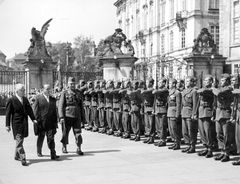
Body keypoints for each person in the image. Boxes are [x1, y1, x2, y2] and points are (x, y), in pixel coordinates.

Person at [5, 83, 37, 166]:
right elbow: (8, 114)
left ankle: (16, 155)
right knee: (19, 141)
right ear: (17, 91)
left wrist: (33, 119)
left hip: (24, 124)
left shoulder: (25, 99)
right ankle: (23, 158)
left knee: (20, 140)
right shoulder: (11, 100)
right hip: (16, 124)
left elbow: (29, 110)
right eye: (22, 90)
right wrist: (7, 125)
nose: (24, 91)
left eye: (24, 90)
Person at [32, 84, 59, 160]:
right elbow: (35, 110)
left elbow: (54, 112)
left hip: (50, 123)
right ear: (43, 89)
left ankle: (53, 153)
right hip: (41, 122)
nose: (48, 90)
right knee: (41, 137)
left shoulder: (53, 99)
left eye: (49, 89)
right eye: (47, 89)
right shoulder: (38, 98)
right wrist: (36, 121)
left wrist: (55, 122)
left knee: (51, 138)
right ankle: (39, 151)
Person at [58, 77, 83, 155]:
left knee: (78, 133)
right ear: (68, 84)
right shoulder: (64, 93)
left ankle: (79, 148)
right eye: (71, 84)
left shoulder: (78, 92)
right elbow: (60, 106)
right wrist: (61, 117)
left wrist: (82, 117)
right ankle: (64, 146)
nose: (72, 85)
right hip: (67, 116)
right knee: (65, 133)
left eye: (73, 84)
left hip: (77, 116)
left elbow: (81, 105)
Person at [213, 73, 234, 162]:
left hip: (225, 113)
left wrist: (213, 88)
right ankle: (222, 151)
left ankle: (227, 153)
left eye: (223, 80)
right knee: (219, 134)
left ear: (228, 81)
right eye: (221, 80)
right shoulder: (220, 88)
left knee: (226, 135)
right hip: (219, 113)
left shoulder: (229, 88)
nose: (221, 82)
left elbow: (218, 93)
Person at [197, 75, 215, 158]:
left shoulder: (212, 90)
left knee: (208, 131)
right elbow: (199, 101)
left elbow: (214, 103)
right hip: (201, 111)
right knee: (202, 131)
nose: (205, 82)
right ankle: (205, 147)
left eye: (207, 80)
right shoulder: (202, 90)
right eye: (204, 80)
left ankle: (210, 149)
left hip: (208, 111)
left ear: (211, 82)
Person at [181, 76, 198, 154]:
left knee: (191, 130)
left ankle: (192, 146)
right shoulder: (184, 91)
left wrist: (194, 113)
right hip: (184, 112)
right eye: (186, 81)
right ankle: (188, 144)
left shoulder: (194, 91)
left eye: (188, 81)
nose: (186, 82)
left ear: (192, 82)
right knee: (185, 131)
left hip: (190, 112)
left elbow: (195, 103)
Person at [153, 78, 169, 147]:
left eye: (160, 82)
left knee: (162, 126)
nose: (158, 84)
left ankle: (163, 140)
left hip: (163, 109)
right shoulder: (158, 90)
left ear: (164, 83)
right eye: (158, 82)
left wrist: (155, 91)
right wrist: (154, 109)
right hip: (158, 109)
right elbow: (155, 101)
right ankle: (160, 139)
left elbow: (156, 92)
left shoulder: (165, 90)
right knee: (158, 126)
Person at [167, 78, 182, 150]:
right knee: (171, 129)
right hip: (169, 112)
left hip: (174, 112)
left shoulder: (177, 92)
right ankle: (174, 142)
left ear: (174, 84)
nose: (169, 84)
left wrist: (177, 114)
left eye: (170, 83)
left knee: (175, 129)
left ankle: (177, 143)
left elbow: (179, 104)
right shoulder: (170, 92)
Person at [141, 78, 155, 144]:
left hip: (150, 108)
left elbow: (144, 92)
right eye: (146, 82)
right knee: (147, 124)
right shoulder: (147, 90)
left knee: (151, 124)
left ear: (151, 83)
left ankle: (151, 138)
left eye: (147, 82)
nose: (146, 83)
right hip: (146, 108)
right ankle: (148, 137)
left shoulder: (152, 90)